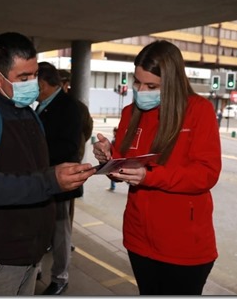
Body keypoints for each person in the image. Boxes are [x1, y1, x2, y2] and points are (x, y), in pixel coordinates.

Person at [0, 32, 95, 296]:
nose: (33, 84)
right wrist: (49, 180)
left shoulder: (24, 111)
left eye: (34, 75)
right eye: (23, 78)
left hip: (28, 254)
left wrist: (58, 175)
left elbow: (28, 171)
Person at [92, 40, 222, 295]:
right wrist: (108, 157)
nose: (141, 91)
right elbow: (124, 167)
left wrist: (149, 176)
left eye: (151, 86)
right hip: (138, 236)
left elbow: (206, 174)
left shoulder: (199, 110)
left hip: (184, 244)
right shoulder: (131, 112)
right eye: (137, 82)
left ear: (172, 83)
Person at [36, 62, 83, 295]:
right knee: (40, 227)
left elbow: (69, 147)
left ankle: (60, 277)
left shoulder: (68, 107)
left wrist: (37, 156)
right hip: (41, 179)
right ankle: (36, 268)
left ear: (43, 83)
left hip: (59, 179)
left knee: (59, 231)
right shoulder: (41, 105)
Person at [58, 69, 94, 230]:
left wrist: (78, 147)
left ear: (66, 84)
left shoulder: (77, 107)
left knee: (67, 201)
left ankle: (65, 237)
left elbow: (87, 129)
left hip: (71, 157)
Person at [107, 127, 118, 192]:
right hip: (114, 159)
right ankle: (112, 186)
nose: (113, 133)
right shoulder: (115, 140)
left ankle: (112, 187)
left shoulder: (115, 140)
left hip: (115, 159)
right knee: (112, 173)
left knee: (113, 173)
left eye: (115, 131)